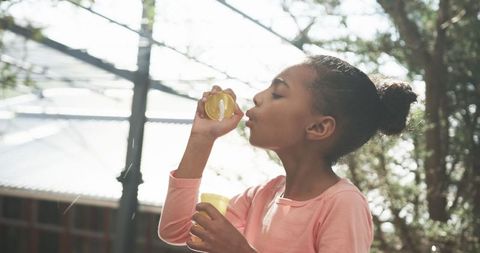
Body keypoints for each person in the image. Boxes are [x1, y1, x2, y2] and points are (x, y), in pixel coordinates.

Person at [158, 55, 417, 253]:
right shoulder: (261, 195)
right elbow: (179, 231)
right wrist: (201, 138)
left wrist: (240, 250)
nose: (258, 97)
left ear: (318, 127)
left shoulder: (342, 204)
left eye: (278, 94)